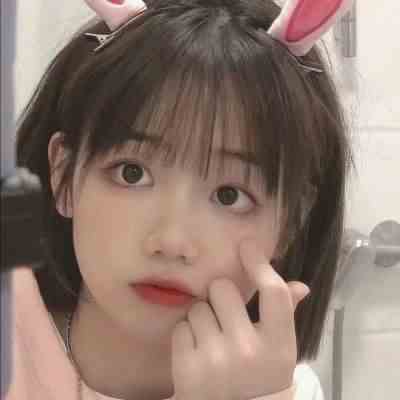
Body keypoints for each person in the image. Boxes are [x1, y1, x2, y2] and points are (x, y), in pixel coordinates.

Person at [7, 0, 355, 399]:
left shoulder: (284, 389)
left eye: (229, 196)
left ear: (291, 222)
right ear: (63, 176)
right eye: (132, 173)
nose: (173, 242)